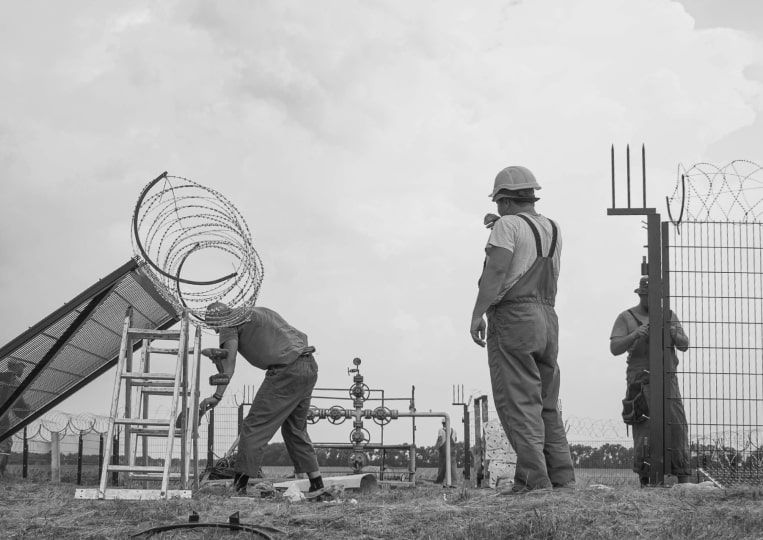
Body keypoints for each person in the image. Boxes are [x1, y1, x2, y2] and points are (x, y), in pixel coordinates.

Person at [470, 165, 575, 494]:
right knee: (546, 404)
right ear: (532, 195)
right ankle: (563, 480)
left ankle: (533, 483)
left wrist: (478, 313)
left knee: (519, 404)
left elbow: (497, 270)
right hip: (547, 318)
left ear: (502, 200)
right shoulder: (553, 228)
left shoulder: (506, 226)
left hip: (514, 318)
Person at [202, 302, 325, 496]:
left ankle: (239, 486)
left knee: (254, 427)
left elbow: (230, 363)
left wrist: (217, 395)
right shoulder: (255, 312)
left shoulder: (228, 323)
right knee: (295, 429)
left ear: (217, 318)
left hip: (286, 370)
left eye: (212, 325)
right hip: (308, 365)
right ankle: (317, 484)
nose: (215, 330)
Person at [609, 276, 691, 486]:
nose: (654, 301)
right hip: (641, 382)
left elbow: (684, 344)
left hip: (667, 380)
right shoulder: (626, 317)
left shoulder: (669, 316)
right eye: (649, 296)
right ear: (641, 295)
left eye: (658, 297)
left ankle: (683, 479)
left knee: (677, 426)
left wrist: (674, 333)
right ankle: (646, 479)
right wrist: (635, 334)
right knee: (645, 428)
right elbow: (615, 348)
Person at [0, 360, 28, 476]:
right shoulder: (15, 381)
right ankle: (1, 470)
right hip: (3, 417)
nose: (23, 370)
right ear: (16, 367)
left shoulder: (1, 376)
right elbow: (19, 404)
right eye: (22, 367)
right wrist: (26, 409)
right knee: (5, 443)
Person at [434, 419, 457, 485]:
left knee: (442, 466)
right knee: (453, 466)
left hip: (443, 451)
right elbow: (455, 439)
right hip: (452, 451)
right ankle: (454, 482)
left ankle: (440, 481)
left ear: (442, 423)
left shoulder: (441, 430)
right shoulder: (454, 430)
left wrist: (436, 448)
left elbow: (440, 439)